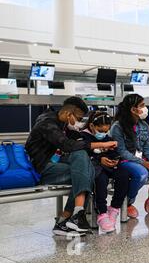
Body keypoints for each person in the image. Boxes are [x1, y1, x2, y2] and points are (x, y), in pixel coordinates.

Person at [25, 96, 117, 236]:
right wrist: (102, 144)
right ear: (69, 114)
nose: (80, 122)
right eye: (79, 118)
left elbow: (76, 145)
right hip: (41, 167)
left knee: (83, 161)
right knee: (87, 173)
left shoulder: (61, 123)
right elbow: (67, 145)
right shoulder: (47, 123)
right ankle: (72, 217)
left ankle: (70, 218)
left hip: (56, 161)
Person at [111, 94, 149, 219]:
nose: (145, 108)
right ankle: (128, 202)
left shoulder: (143, 126)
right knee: (141, 174)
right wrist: (143, 163)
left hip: (142, 159)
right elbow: (122, 151)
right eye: (142, 106)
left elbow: (147, 148)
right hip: (124, 161)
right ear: (133, 110)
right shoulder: (117, 127)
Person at [79, 111, 130, 233]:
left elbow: (115, 152)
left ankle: (114, 208)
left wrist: (116, 160)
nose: (103, 134)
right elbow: (83, 155)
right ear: (92, 126)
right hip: (95, 168)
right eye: (100, 131)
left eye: (106, 131)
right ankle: (102, 213)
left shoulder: (108, 138)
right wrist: (99, 159)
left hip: (109, 167)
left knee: (124, 175)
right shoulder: (83, 137)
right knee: (100, 179)